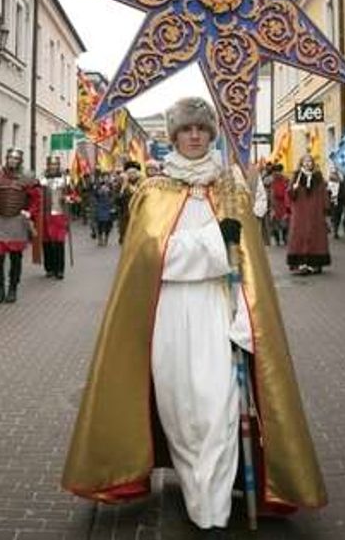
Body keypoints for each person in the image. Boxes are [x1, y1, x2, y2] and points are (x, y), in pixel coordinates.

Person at [62, 97, 327, 529]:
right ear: (174, 136)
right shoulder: (154, 191)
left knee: (219, 410)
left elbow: (249, 264)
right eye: (186, 130)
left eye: (201, 129)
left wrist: (244, 309)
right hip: (170, 315)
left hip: (219, 312)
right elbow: (152, 258)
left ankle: (212, 509)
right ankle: (197, 491)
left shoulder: (231, 189)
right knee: (182, 411)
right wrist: (215, 244)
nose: (194, 137)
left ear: (210, 134)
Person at [0, 147, 39, 304]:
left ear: (20, 161)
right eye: (10, 158)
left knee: (15, 258)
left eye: (15, 159)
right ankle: (0, 289)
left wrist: (30, 212)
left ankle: (13, 288)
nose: (12, 161)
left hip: (17, 221)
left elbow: (35, 198)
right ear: (6, 159)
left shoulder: (27, 177)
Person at [287, 155, 330, 275]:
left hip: (315, 212)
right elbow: (290, 195)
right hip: (300, 213)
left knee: (315, 236)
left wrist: (326, 210)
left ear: (313, 163)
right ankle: (301, 264)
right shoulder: (296, 176)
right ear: (301, 163)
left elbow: (323, 194)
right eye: (305, 161)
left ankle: (314, 263)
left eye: (309, 161)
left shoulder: (318, 177)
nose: (307, 164)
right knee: (300, 236)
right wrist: (293, 190)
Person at [40, 156, 71, 280]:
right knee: (47, 243)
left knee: (59, 243)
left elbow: (72, 194)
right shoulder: (42, 180)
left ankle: (60, 269)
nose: (53, 167)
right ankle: (49, 268)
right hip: (45, 214)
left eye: (55, 165)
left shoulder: (65, 180)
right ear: (48, 166)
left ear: (58, 166)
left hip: (59, 214)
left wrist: (68, 198)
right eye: (51, 165)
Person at [115, 161, 142, 245]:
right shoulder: (122, 185)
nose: (132, 175)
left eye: (134, 173)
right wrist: (123, 188)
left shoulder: (142, 184)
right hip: (125, 214)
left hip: (139, 215)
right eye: (129, 173)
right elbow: (117, 199)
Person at [267, 163, 290, 246]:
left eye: (279, 171)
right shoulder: (271, 180)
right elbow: (270, 193)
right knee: (276, 222)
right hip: (276, 203)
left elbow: (288, 191)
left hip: (282, 203)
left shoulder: (285, 179)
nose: (277, 173)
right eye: (276, 171)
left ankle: (283, 238)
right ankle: (280, 239)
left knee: (282, 222)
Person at [92, 178, 115, 247]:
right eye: (102, 184)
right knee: (100, 225)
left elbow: (112, 198)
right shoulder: (97, 191)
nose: (103, 186)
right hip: (100, 209)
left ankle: (105, 240)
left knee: (107, 225)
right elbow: (94, 197)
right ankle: (100, 239)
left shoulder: (109, 190)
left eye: (104, 184)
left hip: (107, 209)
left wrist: (111, 205)